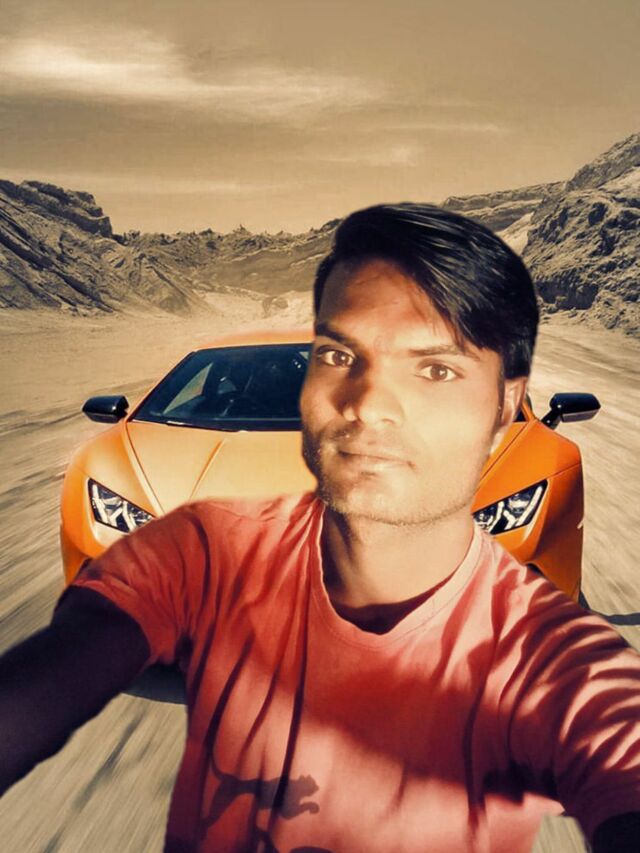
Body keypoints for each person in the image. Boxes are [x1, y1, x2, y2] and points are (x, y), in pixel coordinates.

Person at [1, 203, 639, 852]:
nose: (364, 405)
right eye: (336, 356)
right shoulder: (184, 529)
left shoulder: (570, 665)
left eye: (435, 371)